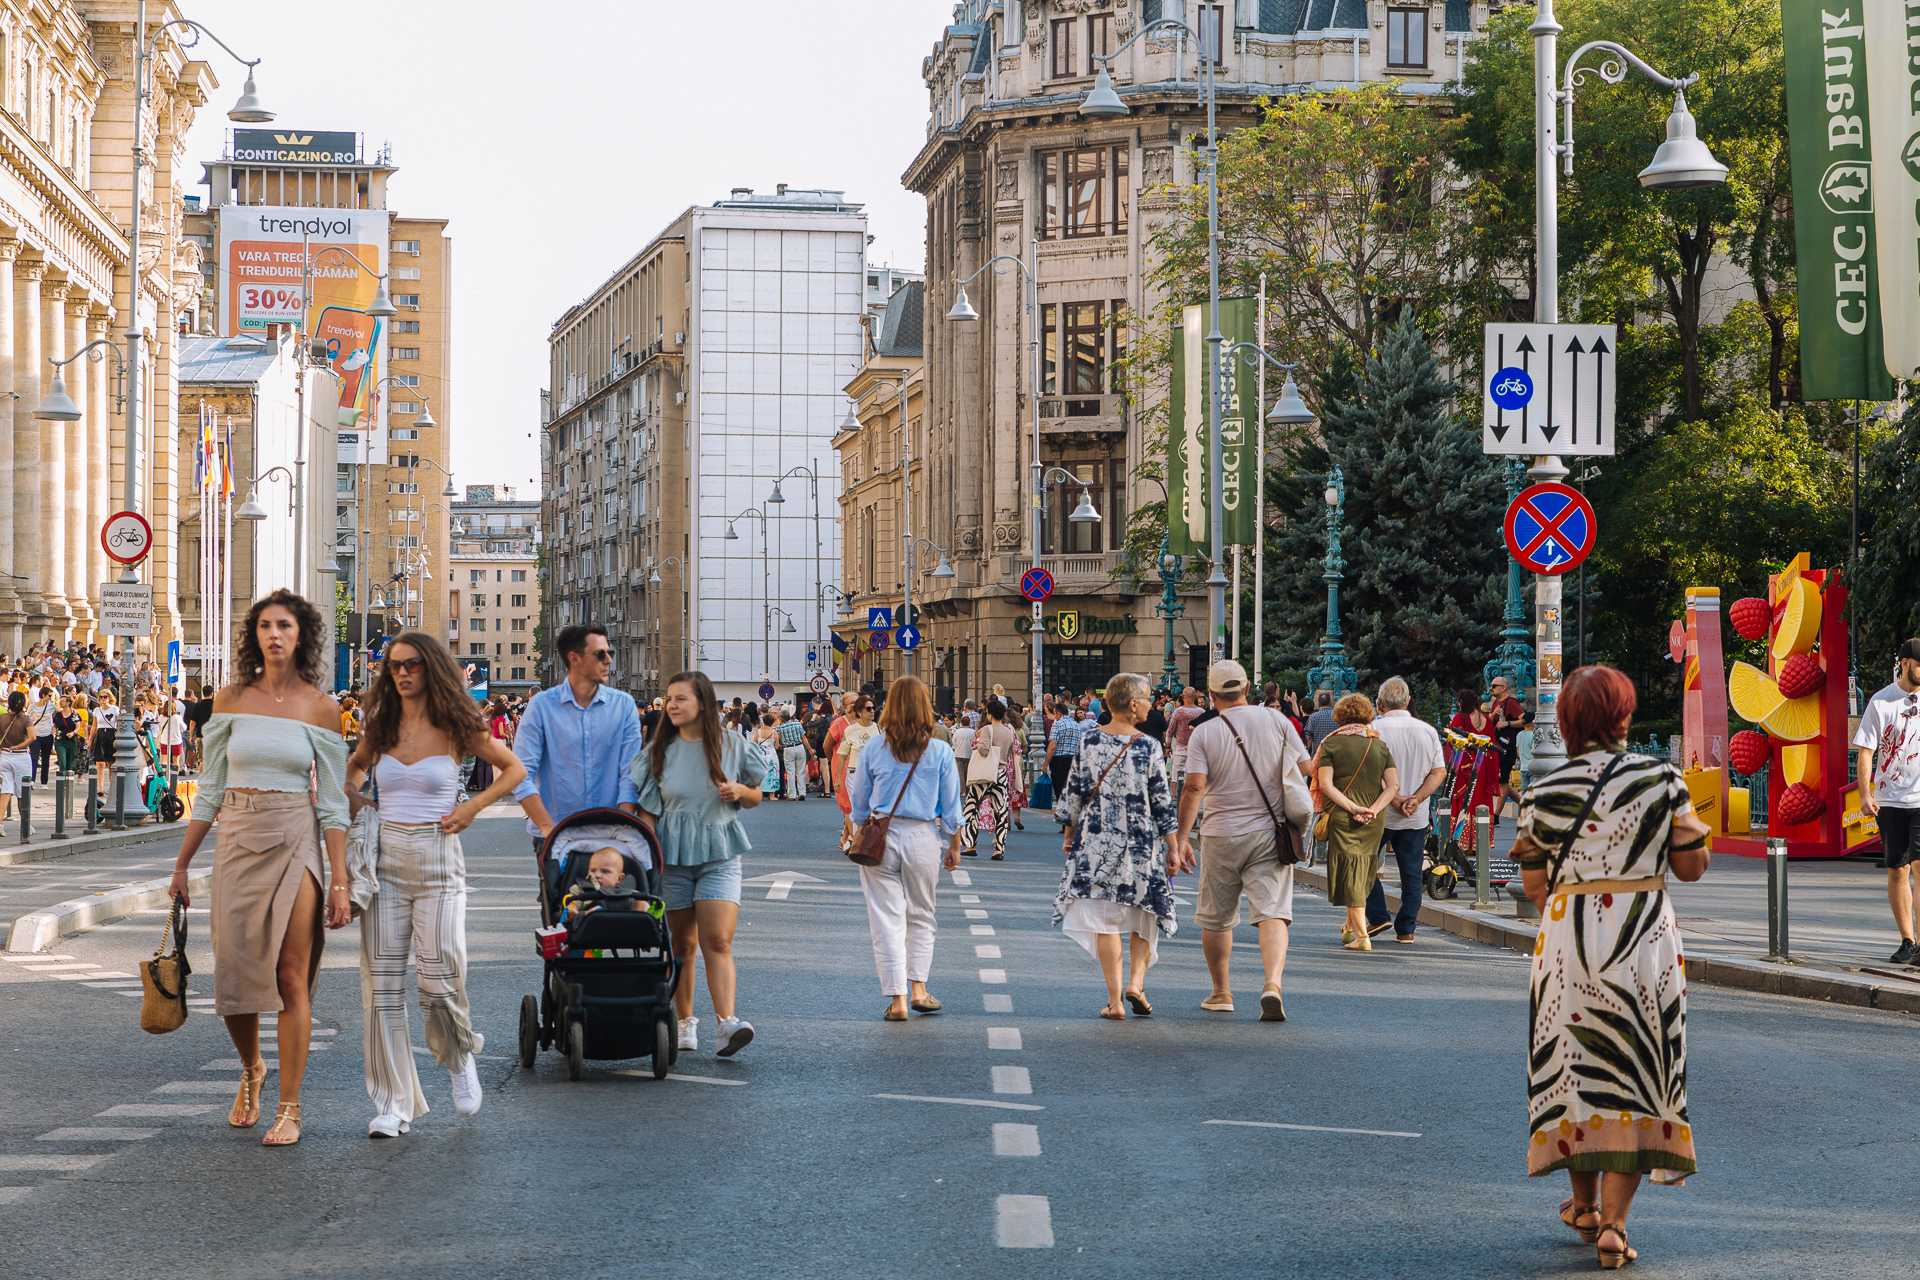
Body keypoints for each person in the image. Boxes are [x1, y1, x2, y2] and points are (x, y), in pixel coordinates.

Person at [1513, 665, 1710, 1270]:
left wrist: (1576, 903)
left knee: (1574, 1070)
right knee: (1637, 1066)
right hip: (1644, 936)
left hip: (1569, 938)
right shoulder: (1661, 778)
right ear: (1624, 717)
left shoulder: (1544, 786)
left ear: (1568, 721)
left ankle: (1585, 1205)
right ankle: (1617, 1228)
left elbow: (1532, 884)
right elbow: (1691, 867)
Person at [164, 590, 351, 1147]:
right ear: (255, 635)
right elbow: (211, 790)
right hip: (238, 838)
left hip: (296, 836)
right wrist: (181, 866)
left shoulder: (321, 708)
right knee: (236, 977)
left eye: (285, 626)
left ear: (301, 636)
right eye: (266, 625)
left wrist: (339, 880)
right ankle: (252, 1069)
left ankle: (289, 1107)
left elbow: (335, 803)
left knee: (291, 976)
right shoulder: (229, 701)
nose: (275, 635)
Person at [346, 632, 525, 1138]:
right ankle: (392, 1103)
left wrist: (471, 807)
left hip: (440, 857)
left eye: (413, 665)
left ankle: (459, 1053)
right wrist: (359, 803)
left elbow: (512, 770)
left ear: (432, 670)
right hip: (385, 860)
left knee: (440, 970)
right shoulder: (380, 727)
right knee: (381, 986)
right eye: (395, 666)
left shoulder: (455, 725)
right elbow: (352, 771)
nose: (402, 673)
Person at [632, 671, 764, 1057]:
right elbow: (648, 811)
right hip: (672, 857)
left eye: (680, 699)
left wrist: (740, 791)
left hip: (720, 851)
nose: (671, 705)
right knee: (682, 944)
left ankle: (727, 1023)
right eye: (669, 698)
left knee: (718, 940)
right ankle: (686, 1020)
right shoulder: (659, 750)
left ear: (703, 704)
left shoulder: (732, 745)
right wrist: (646, 858)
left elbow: (757, 793)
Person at [1172, 660, 1310, 1020]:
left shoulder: (1205, 733)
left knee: (1217, 919)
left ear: (1212, 694)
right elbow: (1307, 769)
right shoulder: (1279, 721)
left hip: (1220, 834)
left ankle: (1221, 992)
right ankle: (1272, 984)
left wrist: (1182, 838)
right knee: (1273, 913)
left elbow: (1194, 787)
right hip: (1270, 831)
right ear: (1247, 687)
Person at [1054, 673, 1178, 1020]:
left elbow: (1074, 791)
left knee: (1105, 921)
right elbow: (1161, 800)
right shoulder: (1149, 746)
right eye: (1147, 698)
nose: (1151, 703)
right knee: (1144, 913)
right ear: (1133, 703)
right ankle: (1136, 983)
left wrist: (1069, 832)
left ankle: (1115, 1000)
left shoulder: (1089, 741)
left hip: (1097, 841)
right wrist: (1174, 845)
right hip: (1140, 843)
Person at [846, 675, 962, 1022]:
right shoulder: (939, 750)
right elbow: (951, 806)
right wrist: (954, 844)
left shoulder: (873, 749)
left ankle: (896, 1000)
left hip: (881, 833)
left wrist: (857, 832)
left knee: (886, 918)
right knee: (922, 915)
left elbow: (860, 803)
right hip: (923, 836)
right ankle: (919, 989)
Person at [511, 624, 644, 853]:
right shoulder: (542, 706)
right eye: (600, 654)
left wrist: (622, 828)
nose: (608, 661)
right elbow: (520, 773)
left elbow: (630, 773)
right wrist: (547, 828)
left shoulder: (623, 706)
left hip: (610, 835)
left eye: (609, 653)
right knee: (559, 891)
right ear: (574, 658)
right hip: (555, 834)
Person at [1363, 678, 1447, 945]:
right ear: (1408, 701)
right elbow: (1438, 772)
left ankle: (1377, 914)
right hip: (1416, 814)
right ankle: (1406, 928)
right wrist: (1417, 799)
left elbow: (1369, 771)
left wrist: (1395, 798)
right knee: (1411, 873)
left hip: (1379, 811)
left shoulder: (1372, 730)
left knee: (1364, 864)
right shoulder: (1427, 731)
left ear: (1379, 703)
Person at [1315, 693, 1398, 953]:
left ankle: (1362, 935)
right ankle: (1350, 927)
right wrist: (1373, 809)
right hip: (1373, 819)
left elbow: (1325, 785)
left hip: (1344, 816)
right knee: (1363, 869)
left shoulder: (1331, 745)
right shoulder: (1379, 746)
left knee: (1351, 872)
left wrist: (1352, 807)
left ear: (1339, 716)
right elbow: (1393, 786)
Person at [1856, 638, 1920, 965]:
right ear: (1905, 662)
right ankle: (1908, 941)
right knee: (1898, 870)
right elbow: (1866, 752)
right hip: (1891, 801)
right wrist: (1865, 793)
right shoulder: (1882, 702)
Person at [1447, 691, 1505, 855]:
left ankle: (1461, 842)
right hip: (1483, 766)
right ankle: (1478, 843)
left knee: (1463, 801)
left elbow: (1453, 740)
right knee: (1480, 801)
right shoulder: (1485, 720)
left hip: (1465, 766)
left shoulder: (1460, 717)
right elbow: (1492, 745)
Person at [960, 699, 1019, 860]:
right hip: (1001, 772)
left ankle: (970, 844)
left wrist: (977, 743)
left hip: (985, 774)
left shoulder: (986, 729)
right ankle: (999, 848)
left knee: (971, 807)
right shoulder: (1009, 731)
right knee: (1000, 811)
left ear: (990, 714)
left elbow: (985, 750)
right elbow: (1009, 753)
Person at [834, 695, 879, 854]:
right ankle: (856, 841)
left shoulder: (876, 728)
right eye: (868, 709)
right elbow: (842, 755)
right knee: (856, 808)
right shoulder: (850, 730)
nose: (872, 711)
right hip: (854, 773)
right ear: (859, 712)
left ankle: (861, 839)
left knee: (871, 807)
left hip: (872, 774)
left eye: (873, 708)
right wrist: (838, 778)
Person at [1044, 703, 1090, 826]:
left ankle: (1063, 818)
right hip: (1073, 760)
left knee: (1060, 790)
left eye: (1054, 713)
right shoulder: (1076, 725)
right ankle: (1071, 819)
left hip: (1058, 760)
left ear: (1058, 713)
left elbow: (1052, 746)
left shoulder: (1057, 724)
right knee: (1070, 790)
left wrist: (1045, 764)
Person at [1165, 687, 1204, 800]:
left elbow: (1170, 731)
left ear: (1183, 697)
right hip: (1197, 751)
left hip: (1180, 749)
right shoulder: (1201, 712)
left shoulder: (1178, 712)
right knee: (1196, 775)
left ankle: (1174, 797)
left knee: (1175, 776)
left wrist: (1168, 746)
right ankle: (1195, 798)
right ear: (1195, 697)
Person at [0, 691, 31, 824]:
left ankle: (0, 824)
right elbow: (33, 737)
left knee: (5, 790)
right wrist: (18, 746)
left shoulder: (2, 718)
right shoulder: (25, 719)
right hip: (21, 756)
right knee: (23, 792)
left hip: (4, 756)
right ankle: (25, 825)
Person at [776, 705, 809, 801]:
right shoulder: (797, 724)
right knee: (800, 771)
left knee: (790, 772)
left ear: (782, 718)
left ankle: (792, 795)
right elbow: (804, 738)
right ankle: (802, 793)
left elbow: (780, 741)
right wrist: (810, 750)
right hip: (800, 747)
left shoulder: (780, 728)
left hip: (788, 749)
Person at [28, 681, 55, 785]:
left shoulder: (51, 706)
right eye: (49, 696)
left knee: (46, 759)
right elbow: (28, 720)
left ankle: (44, 782)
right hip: (35, 735)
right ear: (43, 695)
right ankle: (32, 780)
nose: (50, 698)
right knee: (34, 758)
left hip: (47, 735)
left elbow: (60, 711)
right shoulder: (32, 706)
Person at [751, 712, 780, 798]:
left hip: (761, 755)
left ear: (763, 721)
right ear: (772, 722)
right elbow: (777, 746)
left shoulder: (758, 731)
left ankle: (760, 794)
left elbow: (753, 743)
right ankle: (772, 795)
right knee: (772, 773)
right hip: (771, 755)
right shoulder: (774, 732)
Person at [1301, 688, 1338, 755]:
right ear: (1330, 702)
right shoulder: (1337, 716)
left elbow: (1308, 738)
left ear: (1318, 703)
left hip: (1318, 755)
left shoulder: (1313, 717)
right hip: (1335, 755)